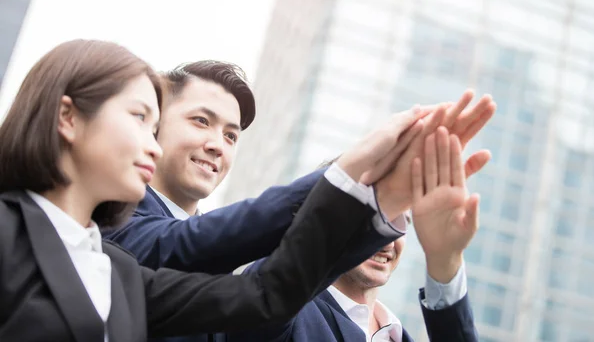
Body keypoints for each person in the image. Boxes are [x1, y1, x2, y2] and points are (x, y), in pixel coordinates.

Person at [0, 39, 440, 342]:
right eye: (140, 118)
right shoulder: (20, 231)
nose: (149, 142)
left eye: (232, 135)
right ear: (68, 118)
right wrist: (347, 172)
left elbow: (266, 296)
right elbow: (189, 243)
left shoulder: (114, 270)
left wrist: (383, 197)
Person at [104, 61, 496, 342]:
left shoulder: (396, 331)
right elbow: (196, 244)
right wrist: (360, 182)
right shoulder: (106, 222)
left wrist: (443, 264)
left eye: (232, 135)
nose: (217, 144)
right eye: (201, 121)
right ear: (153, 127)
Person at [229, 127, 480, 341]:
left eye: (399, 222)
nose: (386, 239)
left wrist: (444, 259)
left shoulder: (398, 334)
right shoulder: (291, 314)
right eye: (370, 218)